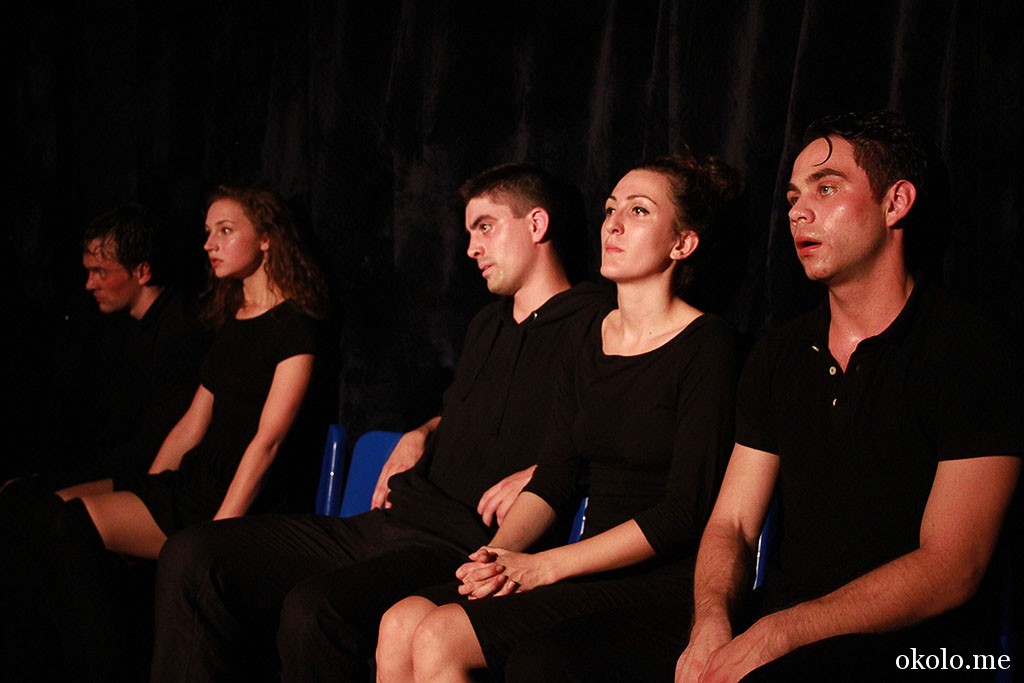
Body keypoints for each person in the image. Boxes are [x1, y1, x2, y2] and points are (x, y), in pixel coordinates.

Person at [149, 162, 610, 683]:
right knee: (193, 554)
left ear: (537, 224)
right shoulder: (488, 323)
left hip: (458, 541)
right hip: (393, 518)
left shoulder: (597, 322)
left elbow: (624, 432)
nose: (471, 248)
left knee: (315, 611)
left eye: (485, 227)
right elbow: (476, 408)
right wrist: (423, 431)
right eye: (469, 232)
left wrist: (541, 471)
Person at [675, 111, 1022, 683]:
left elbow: (952, 567)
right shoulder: (778, 354)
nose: (797, 211)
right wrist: (710, 622)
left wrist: (780, 633)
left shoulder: (970, 349)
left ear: (895, 203)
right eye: (793, 196)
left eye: (826, 188)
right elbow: (732, 523)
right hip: (782, 625)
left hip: (924, 647)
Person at [375, 153, 744, 682]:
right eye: (610, 209)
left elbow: (682, 513)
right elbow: (554, 477)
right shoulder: (590, 338)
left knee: (439, 635)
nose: (613, 224)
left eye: (638, 211)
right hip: (580, 569)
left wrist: (546, 566)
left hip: (658, 581)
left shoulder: (707, 345)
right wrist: (496, 557)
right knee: (400, 621)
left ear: (682, 244)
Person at [2, 184, 332, 683]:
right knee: (46, 516)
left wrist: (219, 530)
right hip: (193, 483)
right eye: (208, 232)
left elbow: (269, 442)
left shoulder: (296, 326)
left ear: (266, 239)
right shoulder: (235, 319)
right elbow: (191, 424)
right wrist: (149, 486)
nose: (209, 243)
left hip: (240, 496)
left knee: (68, 525)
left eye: (225, 230)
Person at [3, 203, 208, 491]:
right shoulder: (121, 326)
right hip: (121, 466)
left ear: (142, 272)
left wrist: (53, 482)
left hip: (157, 481)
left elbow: (151, 446)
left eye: (100, 272)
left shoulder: (178, 338)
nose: (90, 284)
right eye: (89, 272)